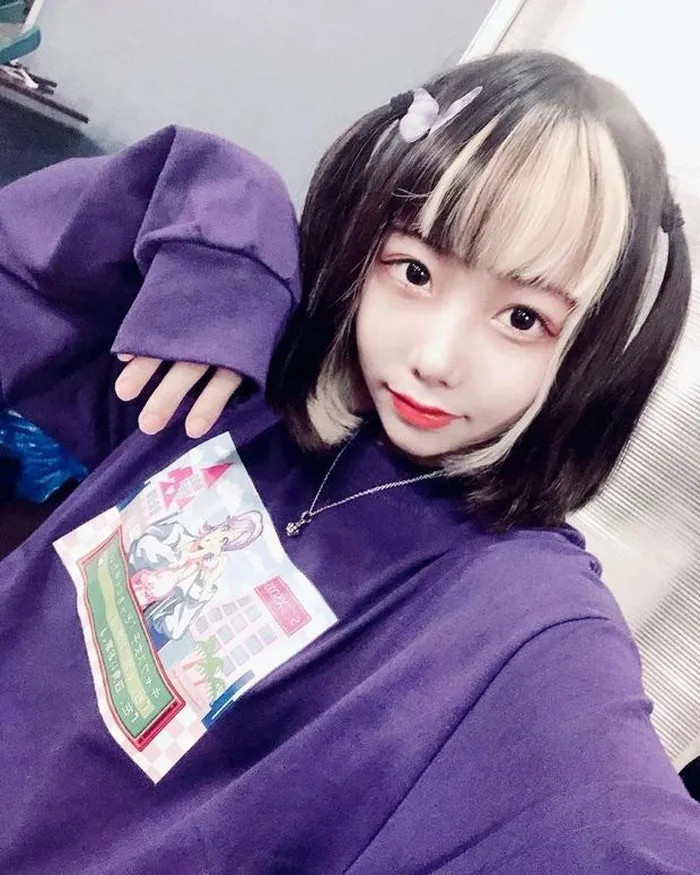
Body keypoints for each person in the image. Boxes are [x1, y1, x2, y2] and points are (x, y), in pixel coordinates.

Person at [0, 50, 698, 873]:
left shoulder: (522, 616)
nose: (436, 357)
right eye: (415, 271)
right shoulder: (236, 387)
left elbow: (610, 823)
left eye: (522, 318)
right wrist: (216, 220)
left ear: (592, 356)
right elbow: (23, 279)